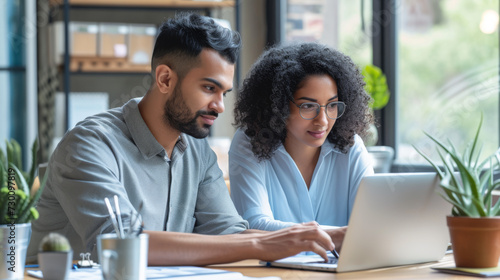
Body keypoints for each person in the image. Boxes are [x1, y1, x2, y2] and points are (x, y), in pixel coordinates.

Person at [27, 13, 335, 265]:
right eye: (209, 88)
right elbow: (122, 245)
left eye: (224, 93)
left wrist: (330, 237)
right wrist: (259, 243)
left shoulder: (198, 151)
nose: (220, 107)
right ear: (164, 79)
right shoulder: (89, 145)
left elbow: (228, 234)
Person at [229, 42, 375, 250]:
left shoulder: (351, 146)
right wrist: (337, 236)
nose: (323, 121)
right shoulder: (249, 143)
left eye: (332, 105)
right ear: (277, 106)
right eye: (308, 106)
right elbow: (255, 225)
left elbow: (371, 224)